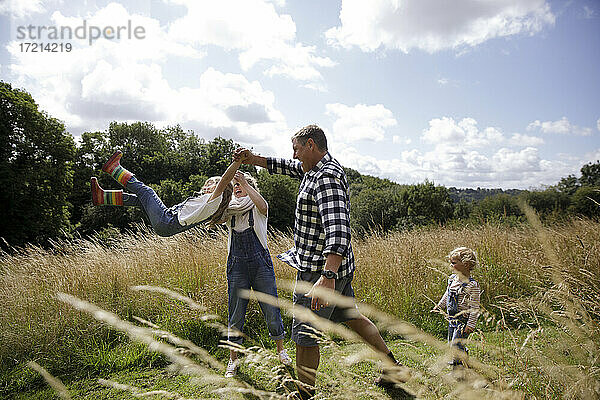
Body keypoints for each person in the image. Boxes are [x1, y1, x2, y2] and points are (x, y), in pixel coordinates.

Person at [234, 125, 404, 399]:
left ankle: (304, 394)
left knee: (305, 333)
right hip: (334, 269)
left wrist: (327, 276)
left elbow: (338, 229)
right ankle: (393, 369)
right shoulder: (313, 169)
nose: (294, 154)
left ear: (311, 145)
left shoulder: (326, 177)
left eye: (297, 148)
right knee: (352, 317)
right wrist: (253, 160)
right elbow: (287, 167)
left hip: (320, 271)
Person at [222, 171, 292, 377]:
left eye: (240, 185)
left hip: (261, 265)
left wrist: (243, 180)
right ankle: (233, 361)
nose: (236, 187)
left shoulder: (258, 208)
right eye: (234, 186)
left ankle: (281, 352)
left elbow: (264, 206)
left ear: (249, 187)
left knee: (271, 310)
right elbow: (216, 216)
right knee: (235, 314)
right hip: (237, 267)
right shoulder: (229, 210)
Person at [90, 150, 239, 236]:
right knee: (141, 199)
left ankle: (113, 169)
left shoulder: (214, 201)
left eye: (210, 183)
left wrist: (237, 162)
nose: (206, 186)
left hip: (167, 221)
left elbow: (226, 179)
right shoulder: (208, 203)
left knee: (147, 191)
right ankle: (103, 197)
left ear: (220, 189)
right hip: (167, 224)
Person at [432, 247, 481, 368]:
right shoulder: (452, 280)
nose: (450, 265)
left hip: (463, 320)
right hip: (451, 318)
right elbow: (447, 294)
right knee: (451, 342)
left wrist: (471, 324)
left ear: (466, 264)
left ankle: (460, 365)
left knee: (456, 344)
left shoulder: (471, 285)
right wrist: (440, 306)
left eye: (454, 263)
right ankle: (460, 357)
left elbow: (475, 307)